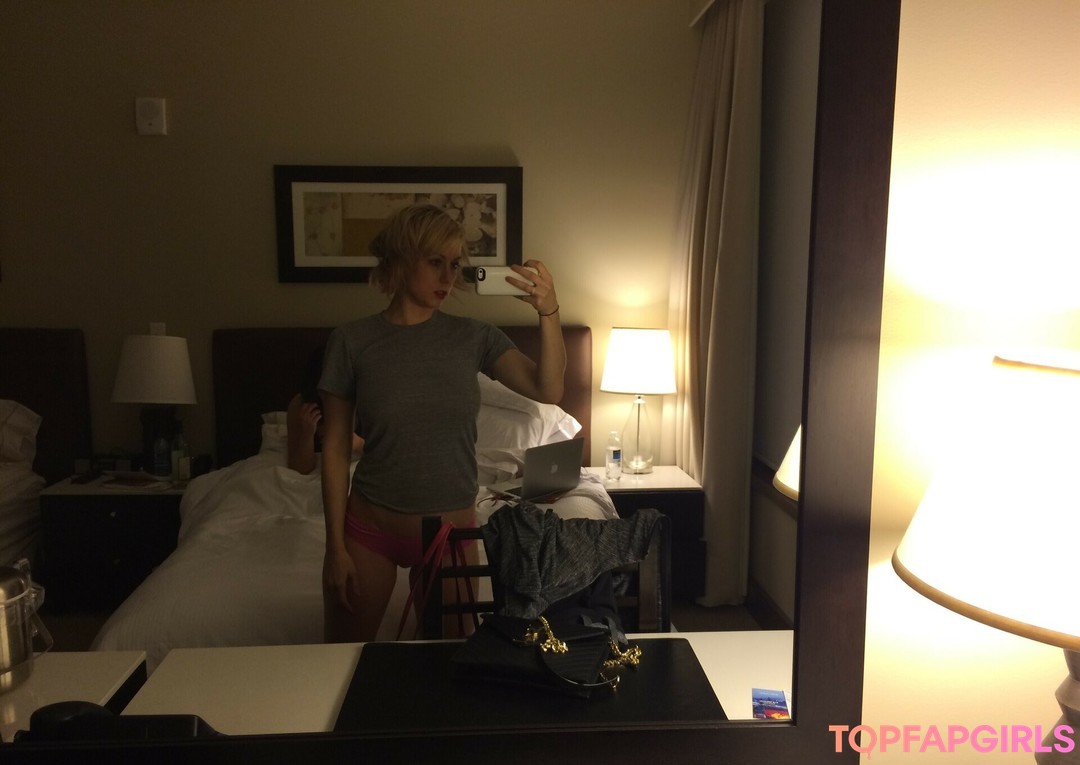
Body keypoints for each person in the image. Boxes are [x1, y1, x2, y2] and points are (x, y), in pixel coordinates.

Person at [318, 203, 565, 642]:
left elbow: (548, 389)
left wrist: (549, 312)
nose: (448, 277)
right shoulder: (352, 342)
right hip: (369, 530)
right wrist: (333, 547)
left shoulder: (474, 337)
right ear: (401, 260)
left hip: (450, 537)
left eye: (454, 264)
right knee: (341, 660)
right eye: (435, 262)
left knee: (446, 666)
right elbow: (336, 446)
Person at [286, 347, 363, 475]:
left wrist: (358, 444)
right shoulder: (301, 405)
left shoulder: (365, 401)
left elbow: (388, 454)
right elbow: (300, 468)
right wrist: (307, 435)